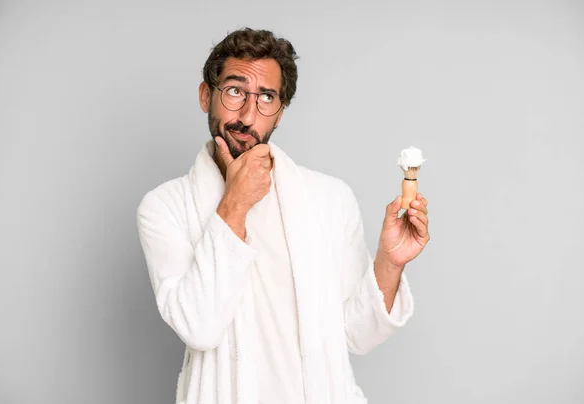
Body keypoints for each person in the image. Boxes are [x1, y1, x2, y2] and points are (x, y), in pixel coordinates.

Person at [137, 27, 430, 404]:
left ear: (280, 113)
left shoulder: (329, 198)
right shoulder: (164, 207)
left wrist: (389, 264)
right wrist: (235, 203)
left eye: (266, 97)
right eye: (234, 91)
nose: (247, 114)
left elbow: (356, 336)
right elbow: (199, 327)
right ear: (206, 95)